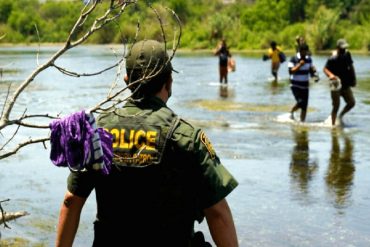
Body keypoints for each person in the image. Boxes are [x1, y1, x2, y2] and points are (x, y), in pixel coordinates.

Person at [56, 39, 239, 247]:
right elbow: (218, 214)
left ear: (127, 80)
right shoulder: (186, 137)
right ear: (169, 81)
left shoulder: (97, 132)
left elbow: (71, 202)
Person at [324, 38, 356, 126]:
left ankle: (340, 116)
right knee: (336, 106)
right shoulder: (332, 58)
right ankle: (333, 126)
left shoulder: (347, 55)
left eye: (344, 48)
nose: (343, 50)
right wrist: (331, 75)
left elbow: (351, 67)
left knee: (351, 103)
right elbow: (325, 69)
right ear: (337, 48)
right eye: (342, 48)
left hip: (346, 83)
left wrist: (354, 79)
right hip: (335, 84)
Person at [288, 43, 318, 122]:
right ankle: (291, 111)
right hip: (295, 85)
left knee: (304, 106)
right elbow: (291, 71)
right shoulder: (293, 59)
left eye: (306, 52)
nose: (304, 54)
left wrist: (314, 76)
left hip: (305, 86)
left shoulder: (309, 59)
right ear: (300, 51)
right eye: (303, 52)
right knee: (300, 102)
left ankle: (302, 122)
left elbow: (311, 71)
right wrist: (299, 65)